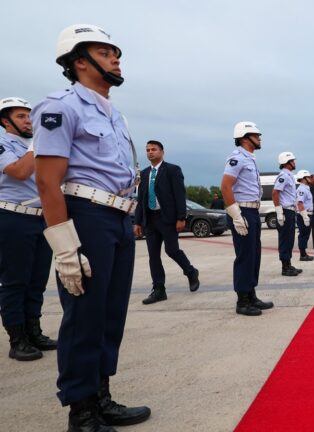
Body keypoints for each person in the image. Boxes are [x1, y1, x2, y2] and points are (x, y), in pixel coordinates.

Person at [33, 24, 151, 431]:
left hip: (118, 218)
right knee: (84, 315)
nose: (116, 58)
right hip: (86, 216)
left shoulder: (113, 113)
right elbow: (47, 181)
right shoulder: (59, 107)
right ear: (79, 61)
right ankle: (81, 412)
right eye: (105, 52)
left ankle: (101, 396)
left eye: (115, 51)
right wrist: (65, 247)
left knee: (109, 314)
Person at [0, 97, 56, 362]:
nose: (29, 121)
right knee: (15, 281)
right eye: (22, 116)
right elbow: (19, 171)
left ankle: (34, 331)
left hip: (40, 218)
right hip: (13, 217)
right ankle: (17, 338)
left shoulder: (37, 148)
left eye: (30, 116)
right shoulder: (3, 144)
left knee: (37, 281)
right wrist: (39, 143)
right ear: (5, 120)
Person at [134, 140, 200, 305]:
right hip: (150, 219)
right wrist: (137, 221)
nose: (150, 152)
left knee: (172, 250)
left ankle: (190, 272)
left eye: (154, 149)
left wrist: (181, 217)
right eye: (148, 150)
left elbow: (179, 194)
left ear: (162, 152)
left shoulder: (172, 170)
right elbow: (140, 199)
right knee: (153, 256)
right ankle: (158, 289)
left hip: (167, 219)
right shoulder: (143, 174)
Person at [220, 121, 274, 317]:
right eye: (256, 135)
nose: (259, 138)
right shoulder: (237, 158)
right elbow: (225, 186)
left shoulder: (250, 158)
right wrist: (235, 215)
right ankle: (242, 301)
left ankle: (251, 294)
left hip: (252, 211)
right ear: (245, 137)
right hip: (242, 211)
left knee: (254, 255)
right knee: (245, 256)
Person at [273, 152, 302, 277]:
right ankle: (285, 267)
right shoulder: (283, 176)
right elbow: (275, 193)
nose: (294, 163)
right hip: (285, 210)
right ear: (287, 162)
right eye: (292, 161)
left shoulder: (289, 176)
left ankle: (288, 264)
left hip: (290, 210)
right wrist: (279, 211)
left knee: (290, 239)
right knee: (285, 239)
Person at [295, 170, 314, 261]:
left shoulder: (306, 188)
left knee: (306, 234)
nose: (310, 179)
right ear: (304, 178)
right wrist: (305, 216)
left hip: (308, 214)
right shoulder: (302, 189)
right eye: (309, 177)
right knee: (303, 234)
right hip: (303, 214)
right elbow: (300, 203)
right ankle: (302, 255)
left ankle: (304, 253)